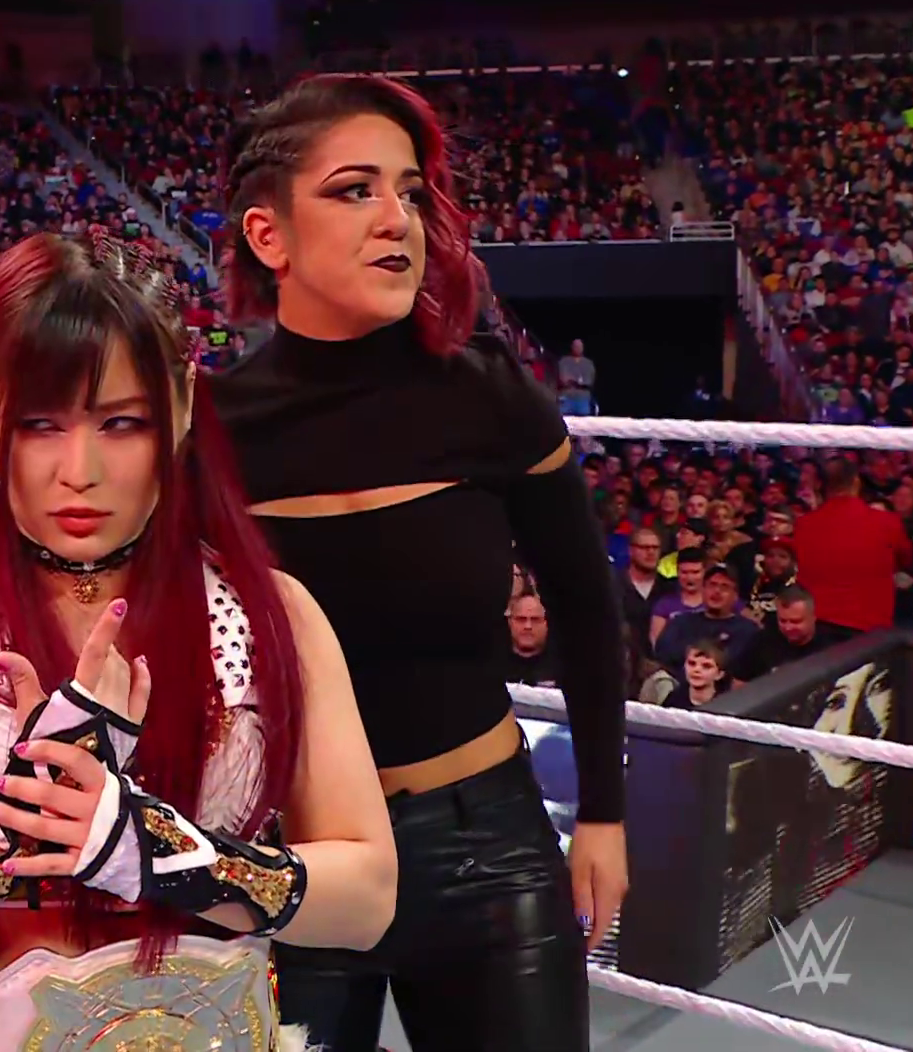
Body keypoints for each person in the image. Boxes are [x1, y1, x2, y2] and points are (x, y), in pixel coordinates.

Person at [0, 234, 396, 1052]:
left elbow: (368, 899)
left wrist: (167, 855)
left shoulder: (272, 613)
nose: (78, 469)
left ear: (182, 407)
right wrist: (20, 822)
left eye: (121, 424)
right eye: (40, 425)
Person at [211, 74, 628, 1050]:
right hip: (291, 854)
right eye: (354, 190)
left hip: (489, 844)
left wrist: (605, 816)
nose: (396, 218)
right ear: (269, 236)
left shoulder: (488, 394)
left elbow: (583, 605)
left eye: (408, 192)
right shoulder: (210, 430)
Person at [792, 457, 912, 637]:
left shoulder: (803, 525)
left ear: (820, 485)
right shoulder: (886, 523)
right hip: (869, 630)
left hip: (817, 628)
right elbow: (906, 560)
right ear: (856, 482)